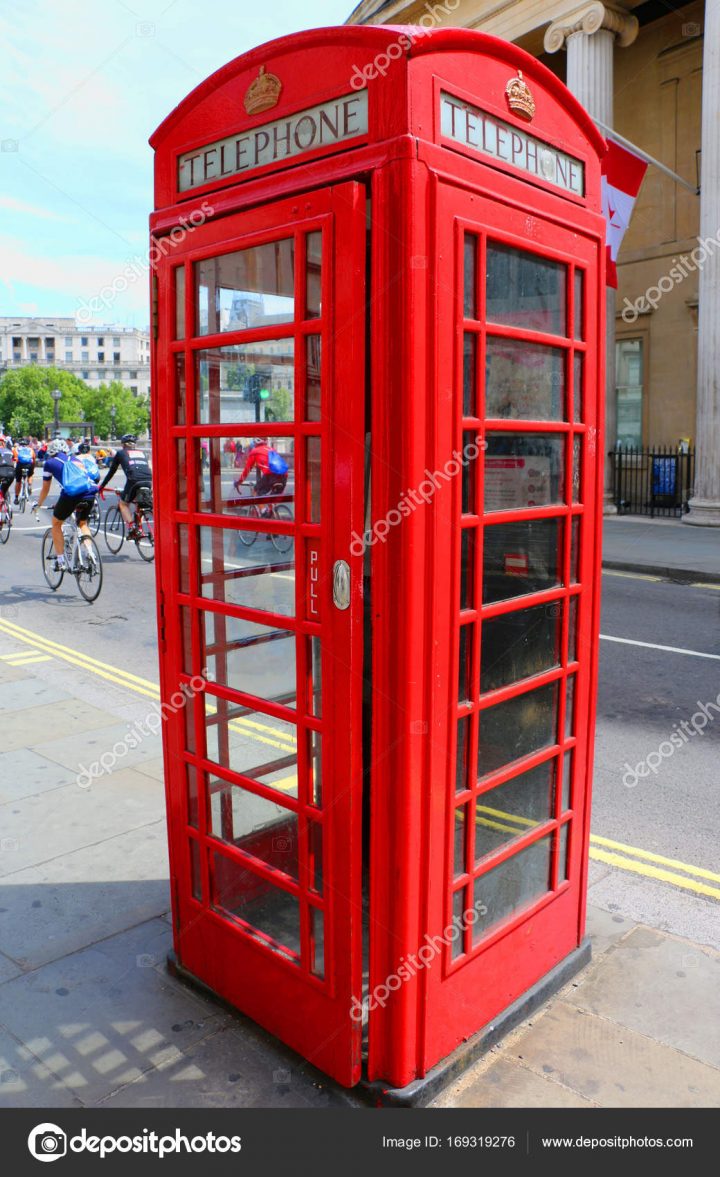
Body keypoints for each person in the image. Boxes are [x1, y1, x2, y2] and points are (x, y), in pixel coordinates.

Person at [34, 438, 100, 570]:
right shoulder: (76, 460)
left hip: (72, 495)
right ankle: (90, 553)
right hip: (91, 492)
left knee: (56, 523)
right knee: (82, 523)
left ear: (51, 451)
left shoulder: (49, 463)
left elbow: (45, 488)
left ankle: (60, 560)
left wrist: (38, 504)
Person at [98, 434, 152, 538]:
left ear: (123, 445)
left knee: (123, 504)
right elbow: (149, 468)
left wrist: (102, 486)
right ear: (135, 445)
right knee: (140, 503)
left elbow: (111, 472)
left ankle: (132, 527)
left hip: (134, 481)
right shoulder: (143, 453)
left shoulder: (121, 453)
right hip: (148, 480)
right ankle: (139, 527)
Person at [233, 438, 288, 503]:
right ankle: (271, 511)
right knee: (273, 500)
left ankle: (263, 512)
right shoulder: (272, 449)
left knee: (256, 492)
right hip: (284, 476)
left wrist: (239, 482)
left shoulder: (255, 451)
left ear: (255, 443)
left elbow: (247, 470)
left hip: (270, 476)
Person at [13, 438, 36, 503]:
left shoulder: (16, 449)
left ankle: (16, 498)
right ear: (27, 444)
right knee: (30, 475)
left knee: (18, 481)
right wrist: (33, 468)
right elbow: (33, 459)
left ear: (19, 444)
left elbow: (13, 459)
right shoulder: (31, 449)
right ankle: (29, 485)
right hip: (29, 465)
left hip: (19, 465)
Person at [0, 440, 16, 509]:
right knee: (5, 488)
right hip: (11, 472)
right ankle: (7, 504)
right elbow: (14, 461)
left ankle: (2, 500)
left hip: (1, 471)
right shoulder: (9, 451)